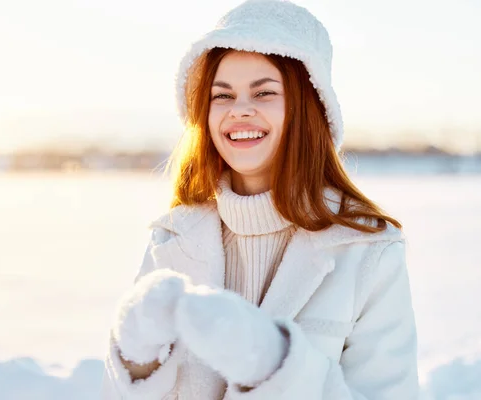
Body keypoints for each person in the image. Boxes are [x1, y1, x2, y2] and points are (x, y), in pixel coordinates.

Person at [100, 0, 419, 398]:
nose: (241, 111)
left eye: (264, 93)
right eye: (223, 96)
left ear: (308, 108)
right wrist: (135, 360)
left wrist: (277, 367)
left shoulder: (368, 251)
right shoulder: (171, 239)